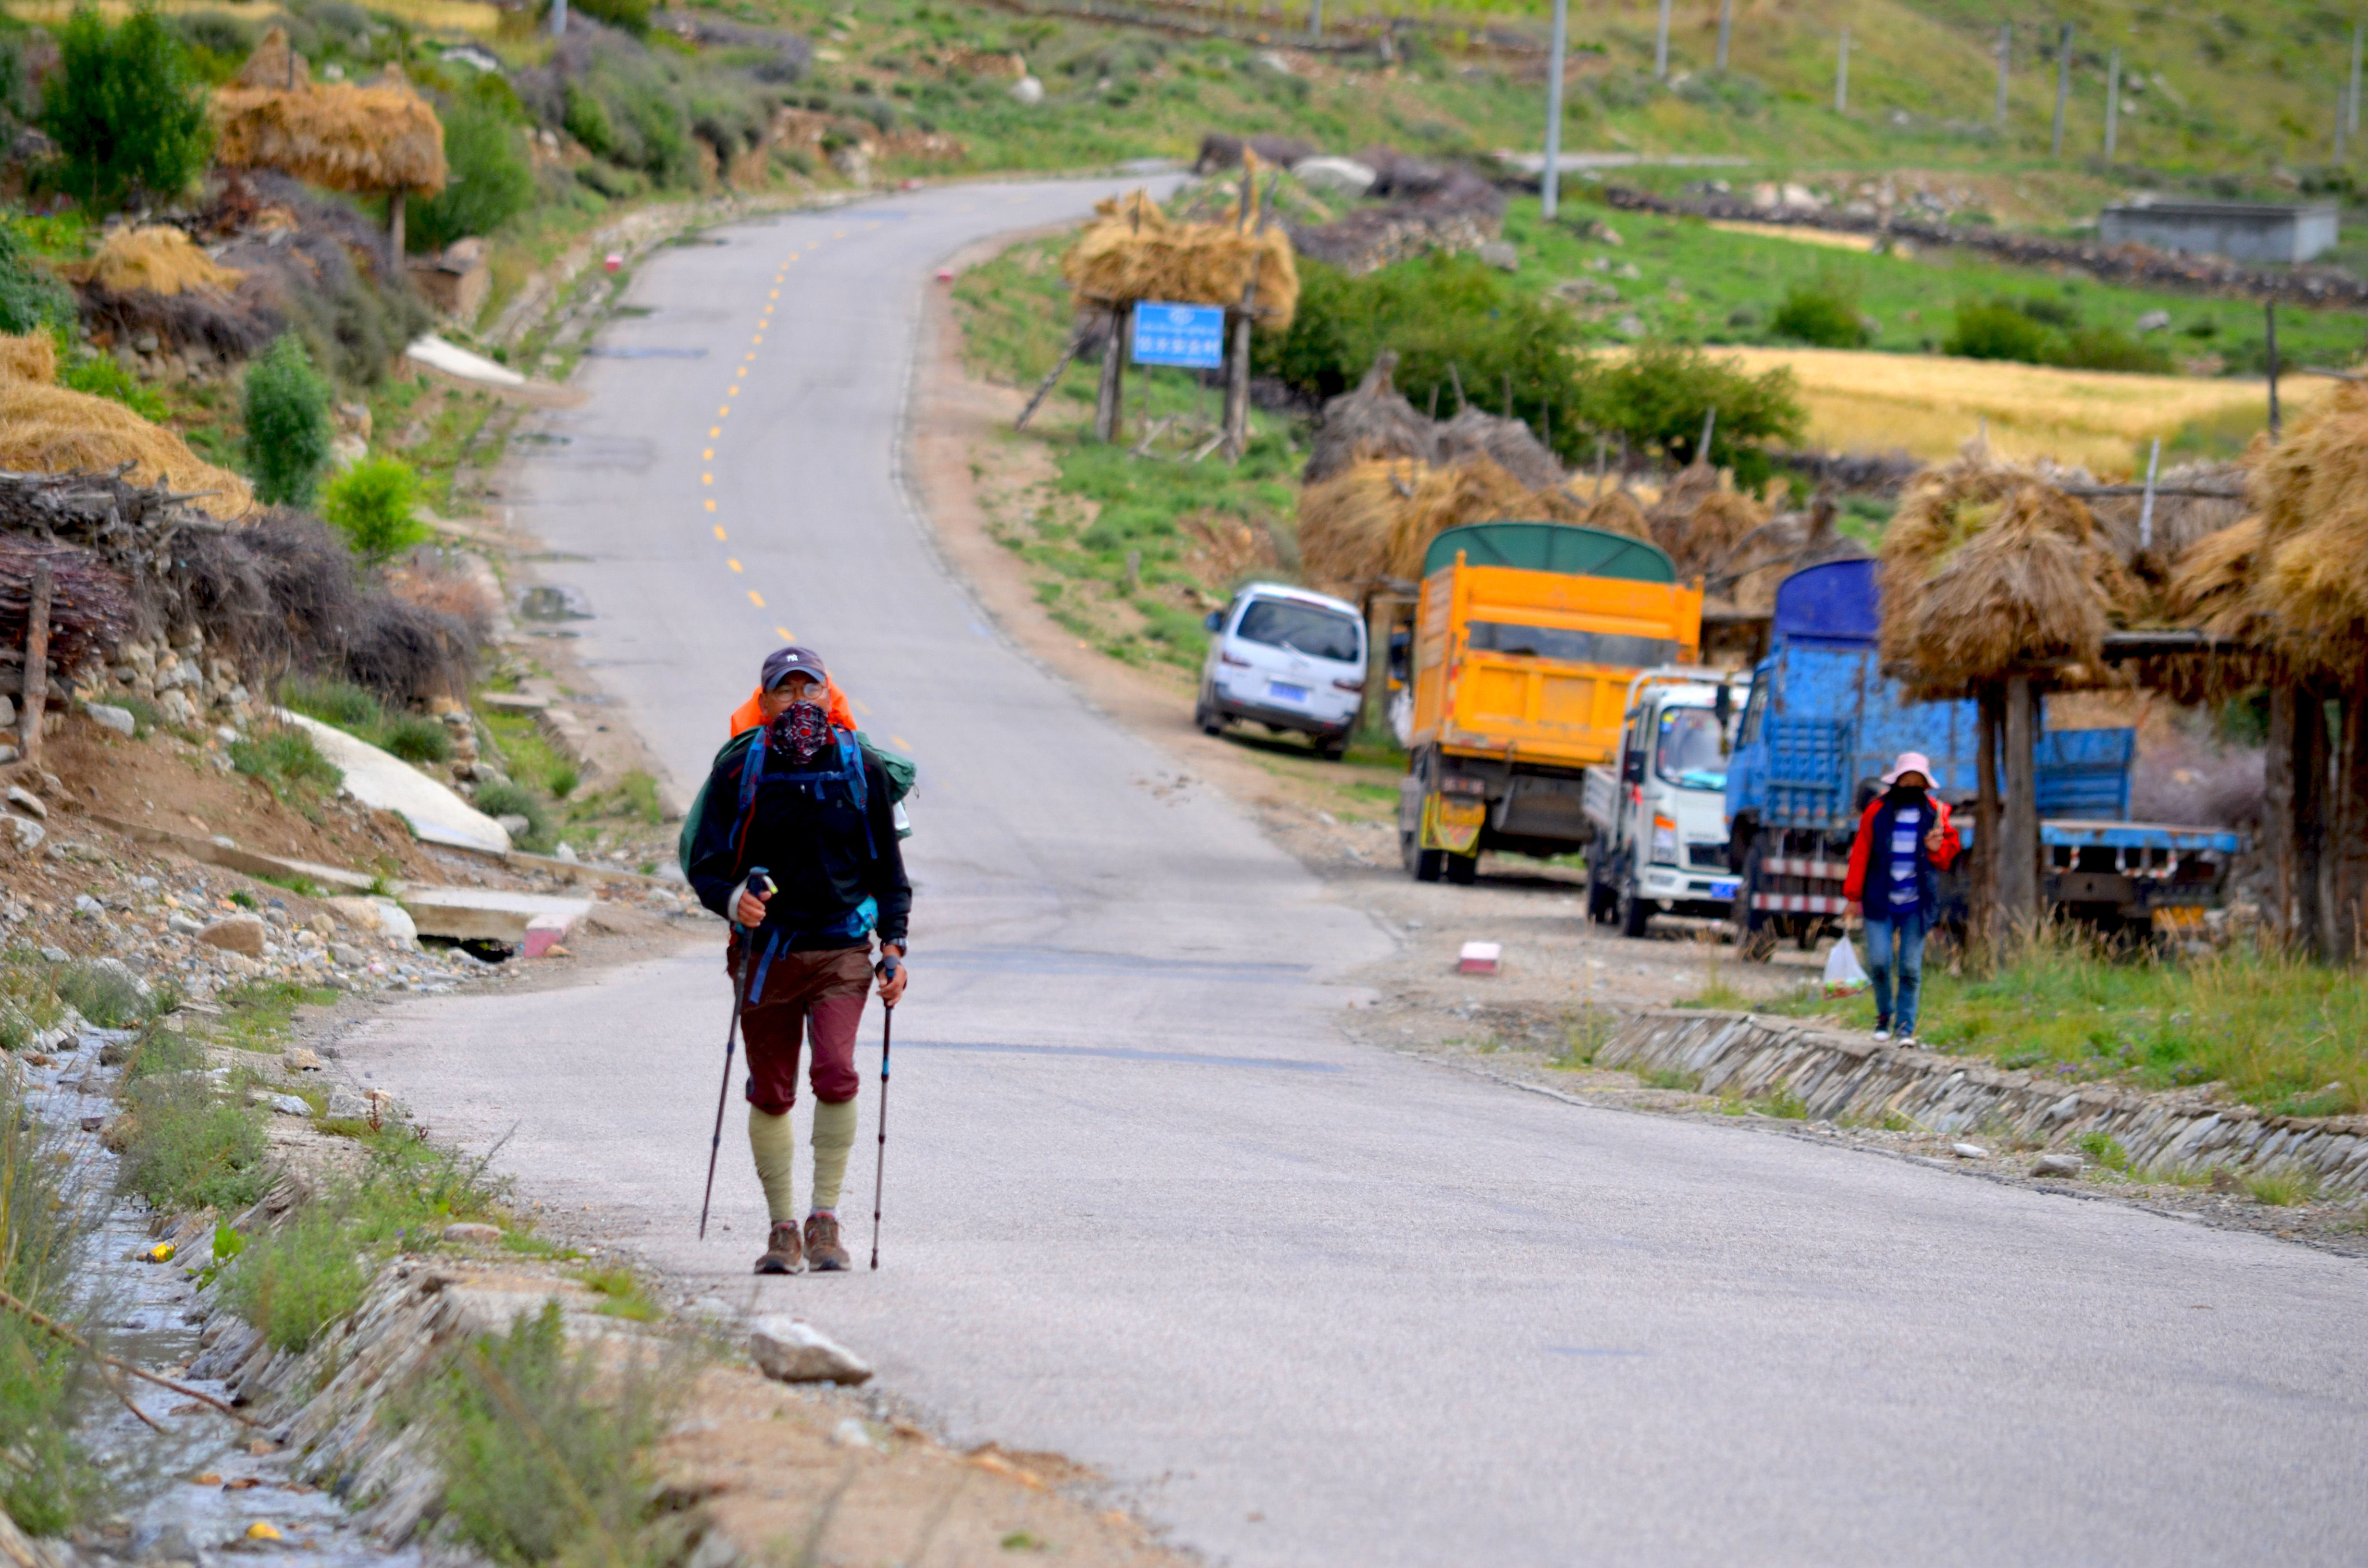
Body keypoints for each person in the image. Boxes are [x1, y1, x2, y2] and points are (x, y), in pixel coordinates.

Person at [687, 645, 911, 1274]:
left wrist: (893, 949)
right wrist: (733, 902)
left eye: (809, 689)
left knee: (837, 1072)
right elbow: (704, 867)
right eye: (784, 692)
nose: (798, 702)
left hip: (843, 951)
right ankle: (782, 1230)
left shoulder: (858, 767)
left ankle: (825, 1220)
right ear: (765, 703)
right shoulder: (738, 772)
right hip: (765, 957)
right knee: (772, 1089)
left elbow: (890, 875)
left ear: (827, 696)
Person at [1842, 751, 1959, 1046]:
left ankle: (1905, 1027)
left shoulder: (1937, 814)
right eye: (1906, 778)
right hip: (1879, 900)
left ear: (1925, 784)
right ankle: (1884, 1016)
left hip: (1916, 904)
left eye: (1916, 779)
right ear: (1897, 781)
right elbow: (1861, 854)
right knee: (1880, 962)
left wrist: (1935, 848)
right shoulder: (1877, 812)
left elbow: (1946, 859)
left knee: (1909, 966)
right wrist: (1852, 898)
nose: (1911, 783)